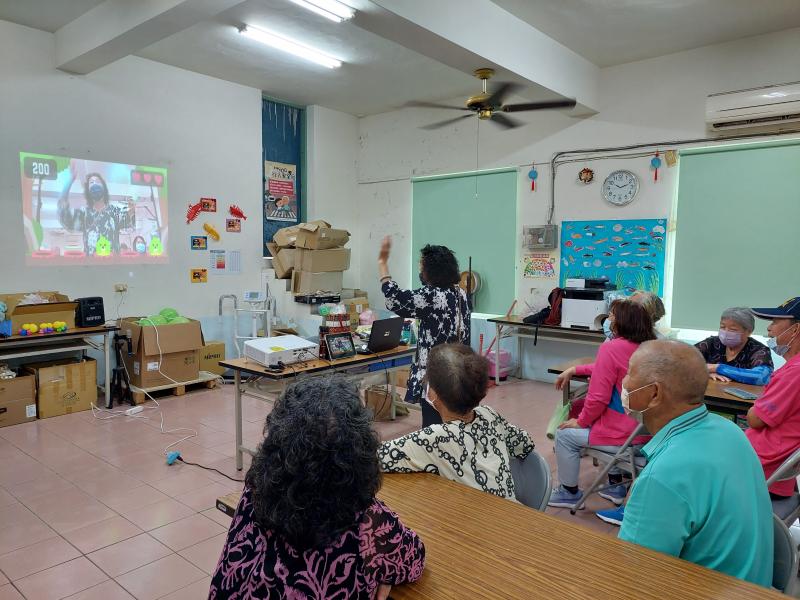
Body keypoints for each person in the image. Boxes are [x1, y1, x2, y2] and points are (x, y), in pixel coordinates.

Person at [210, 376, 425, 599]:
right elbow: (415, 559)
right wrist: (385, 574)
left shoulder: (253, 492)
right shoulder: (371, 525)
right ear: (362, 453)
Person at [619, 340, 773, 588]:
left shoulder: (662, 477)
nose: (624, 382)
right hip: (753, 588)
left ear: (655, 393)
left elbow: (632, 580)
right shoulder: (730, 430)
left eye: (629, 372)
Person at [379, 344, 534, 500]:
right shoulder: (489, 414)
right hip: (511, 514)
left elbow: (375, 457)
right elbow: (525, 443)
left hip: (479, 521)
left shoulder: (435, 438)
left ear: (433, 394)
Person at [549, 300, 654, 508]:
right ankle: (617, 486)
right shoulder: (649, 348)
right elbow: (604, 367)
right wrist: (575, 370)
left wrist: (580, 422)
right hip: (649, 434)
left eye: (612, 316)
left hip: (623, 437)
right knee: (600, 419)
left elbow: (597, 399)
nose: (608, 321)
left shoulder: (612, 348)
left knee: (565, 435)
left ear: (622, 322)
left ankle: (568, 492)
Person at [378, 236, 470, 427]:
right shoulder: (460, 292)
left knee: (434, 430)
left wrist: (382, 264)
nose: (420, 270)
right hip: (460, 371)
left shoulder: (432, 296)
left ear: (432, 270)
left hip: (436, 377)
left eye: (422, 266)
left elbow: (396, 299)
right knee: (456, 425)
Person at [745, 297, 800, 500]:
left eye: (775, 322)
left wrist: (755, 407)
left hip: (760, 470)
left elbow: (755, 419)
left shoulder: (794, 372)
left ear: (795, 330)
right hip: (773, 465)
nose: (769, 329)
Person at [58, 159, 134, 256]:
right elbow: (64, 216)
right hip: (91, 267)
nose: (94, 184)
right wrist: (69, 181)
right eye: (91, 182)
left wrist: (133, 205)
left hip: (114, 266)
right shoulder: (83, 214)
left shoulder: (115, 212)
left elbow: (130, 219)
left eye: (97, 181)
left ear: (104, 187)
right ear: (88, 191)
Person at [695, 307, 773, 385]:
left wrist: (717, 368)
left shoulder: (759, 350)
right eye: (722, 327)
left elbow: (762, 377)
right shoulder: (712, 343)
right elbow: (684, 361)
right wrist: (706, 373)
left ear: (748, 331)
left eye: (733, 329)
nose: (726, 332)